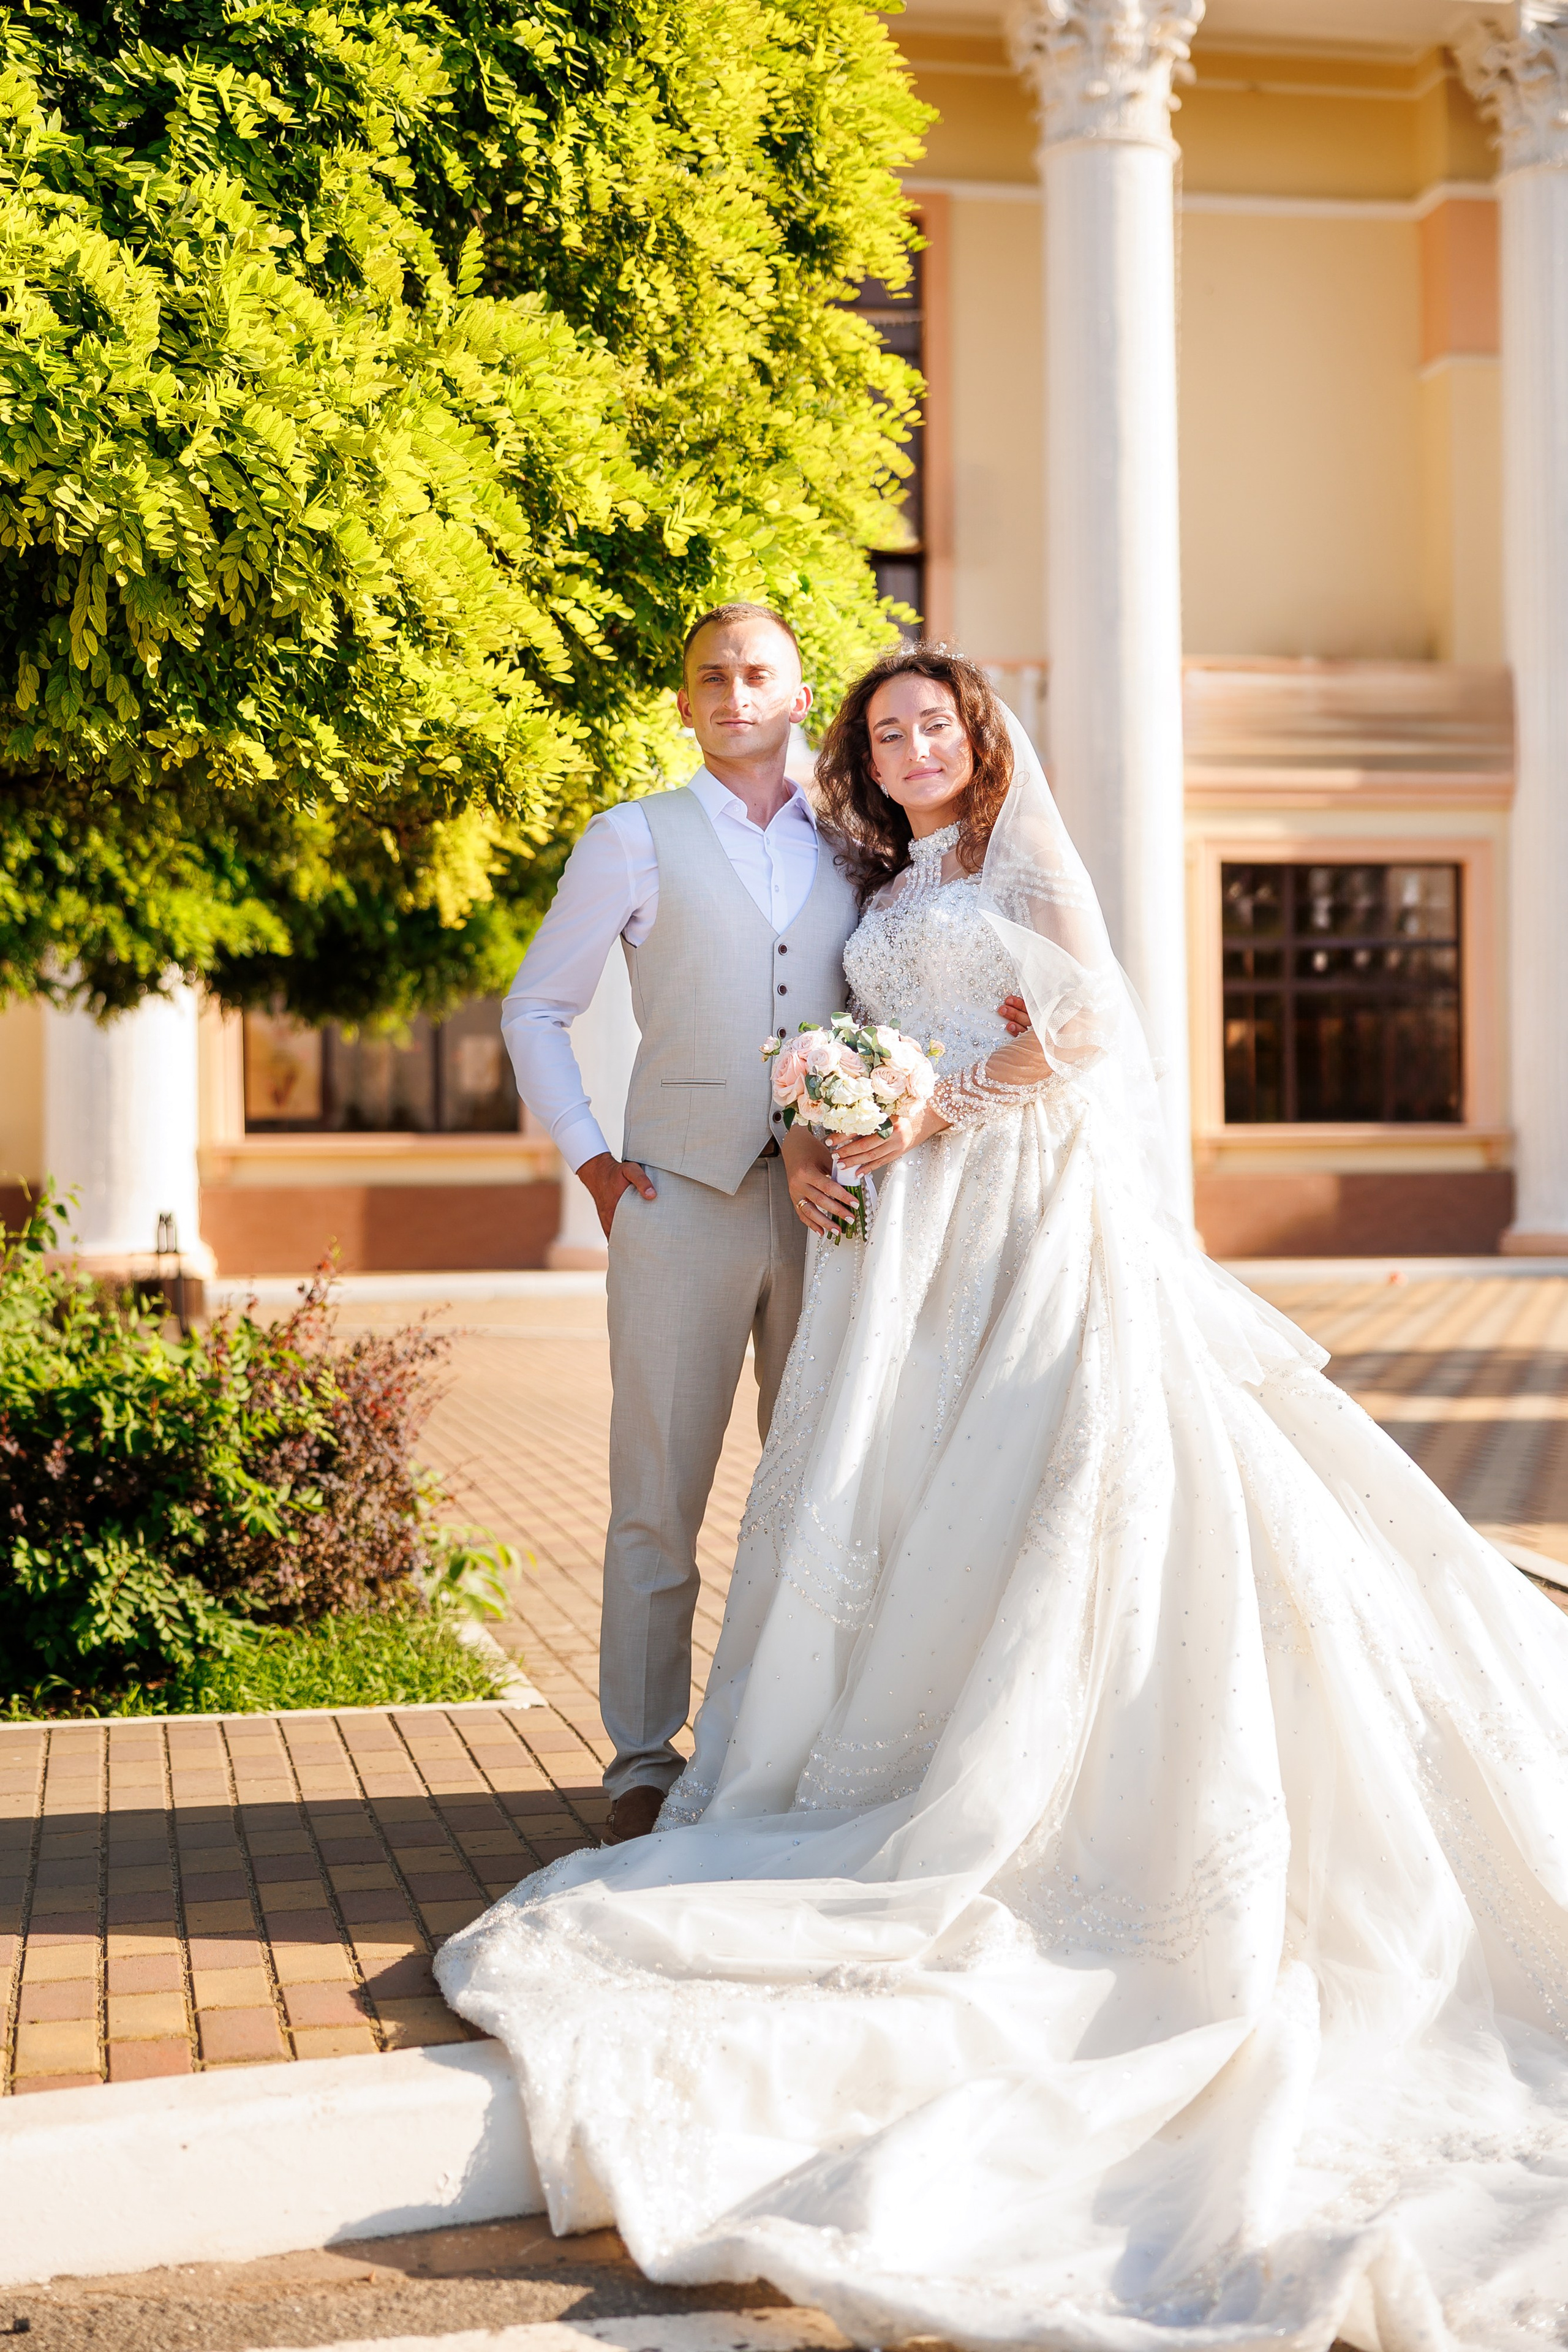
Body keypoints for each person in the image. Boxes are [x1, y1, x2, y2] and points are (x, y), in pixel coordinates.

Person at [446, 647, 1568, 2350]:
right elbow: (834, 1031)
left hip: (1023, 1207)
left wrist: (934, 1115)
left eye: (932, 722)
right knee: (854, 1494)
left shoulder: (1021, 856)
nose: (909, 745)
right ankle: (667, 1749)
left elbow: (1091, 1033)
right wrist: (831, 1132)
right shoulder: (872, 873)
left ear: (980, 737)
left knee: (1062, 1484)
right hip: (897, 1225)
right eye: (884, 729)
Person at [500, 603, 861, 1844]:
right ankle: (641, 1762)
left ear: (799, 695)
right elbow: (533, 1008)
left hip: (836, 1217)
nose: (732, 691)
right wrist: (594, 1168)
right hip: (675, 1204)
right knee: (656, 1495)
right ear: (681, 704)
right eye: (710, 676)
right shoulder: (629, 839)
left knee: (817, 1489)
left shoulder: (857, 839)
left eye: (756, 672)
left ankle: (781, 1744)